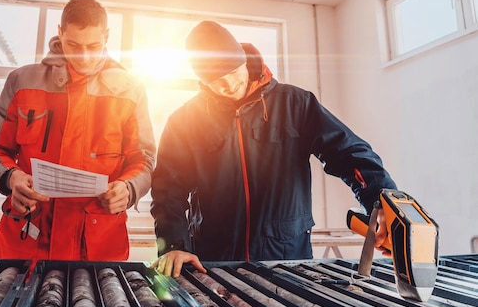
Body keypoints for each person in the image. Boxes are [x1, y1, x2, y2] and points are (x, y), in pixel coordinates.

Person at [150, 20, 397, 277]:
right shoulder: (185, 121)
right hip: (213, 262)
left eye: (234, 72)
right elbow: (168, 190)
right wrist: (173, 245)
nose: (229, 85)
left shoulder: (296, 104)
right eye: (217, 81)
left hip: (287, 259)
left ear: (244, 61)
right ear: (202, 82)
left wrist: (384, 201)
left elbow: (348, 153)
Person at [0, 0, 155, 262]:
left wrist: (128, 188)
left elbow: (143, 160)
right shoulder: (21, 82)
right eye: (73, 44)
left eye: (93, 45)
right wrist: (12, 177)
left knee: (92, 305)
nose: (83, 56)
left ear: (107, 36)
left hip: (97, 246)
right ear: (60, 32)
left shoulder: (130, 90)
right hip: (27, 240)